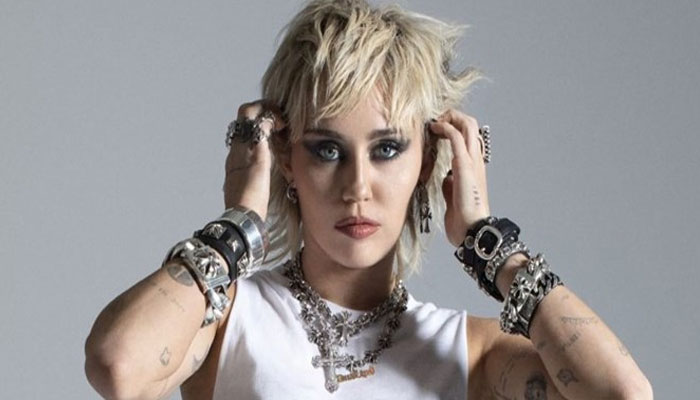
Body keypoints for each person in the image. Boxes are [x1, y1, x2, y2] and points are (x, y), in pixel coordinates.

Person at [84, 0, 653, 399]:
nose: (358, 186)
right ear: (286, 157)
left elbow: (624, 395)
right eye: (328, 149)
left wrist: (490, 243)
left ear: (427, 161)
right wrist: (238, 226)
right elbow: (118, 367)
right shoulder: (224, 317)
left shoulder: (471, 353)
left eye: (386, 149)